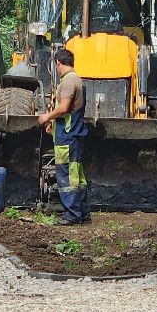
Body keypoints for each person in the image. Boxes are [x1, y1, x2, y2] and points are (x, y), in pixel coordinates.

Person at [36, 47, 90, 225]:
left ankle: (72, 215)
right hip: (73, 133)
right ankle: (82, 213)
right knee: (77, 175)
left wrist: (47, 117)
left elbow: (64, 107)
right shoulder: (77, 80)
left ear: (58, 63)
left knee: (67, 176)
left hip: (68, 136)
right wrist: (54, 123)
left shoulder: (68, 81)